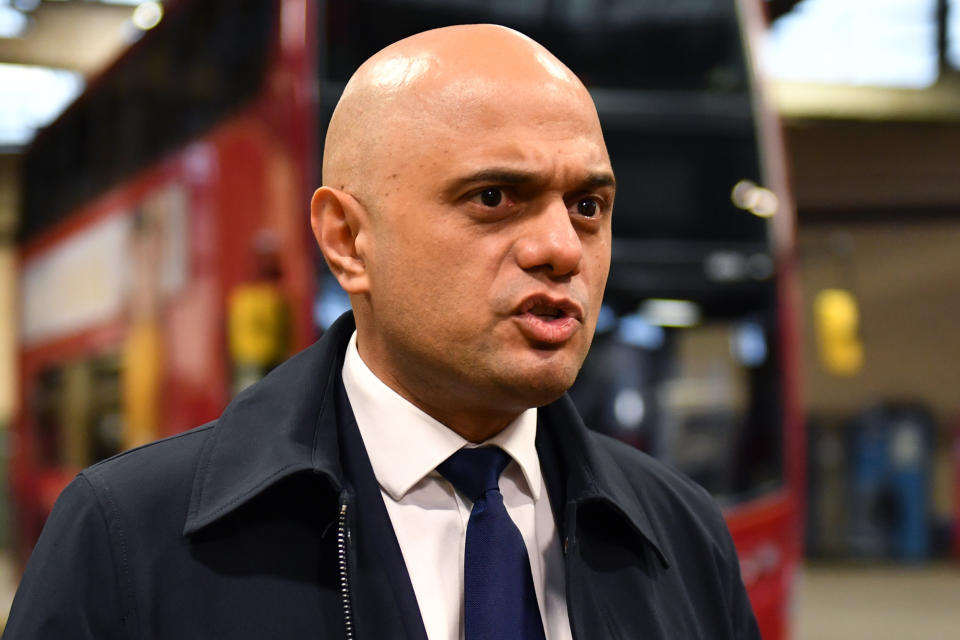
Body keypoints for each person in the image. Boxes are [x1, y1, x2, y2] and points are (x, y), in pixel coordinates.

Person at [3, 25, 760, 640]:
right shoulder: (129, 539)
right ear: (346, 239)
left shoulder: (684, 535)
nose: (562, 248)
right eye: (494, 197)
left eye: (588, 206)